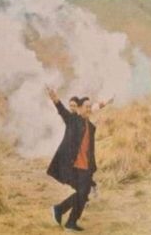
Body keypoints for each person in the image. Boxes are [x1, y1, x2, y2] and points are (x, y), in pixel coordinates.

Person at [46, 87, 98, 232]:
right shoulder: (73, 120)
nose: (88, 109)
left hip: (86, 167)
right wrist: (55, 99)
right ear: (80, 108)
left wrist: (92, 168)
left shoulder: (91, 127)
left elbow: (90, 150)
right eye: (86, 107)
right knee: (82, 194)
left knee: (83, 194)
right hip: (74, 166)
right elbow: (62, 111)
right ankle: (65, 217)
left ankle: (64, 215)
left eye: (89, 107)